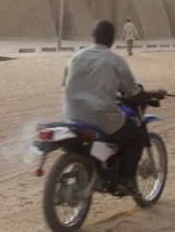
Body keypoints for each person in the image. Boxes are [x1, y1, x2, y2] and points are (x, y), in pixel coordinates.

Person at [62, 20, 166, 195]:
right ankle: (125, 181)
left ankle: (101, 168)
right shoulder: (115, 61)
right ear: (111, 39)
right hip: (101, 117)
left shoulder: (75, 57)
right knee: (136, 137)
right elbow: (135, 92)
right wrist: (156, 93)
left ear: (93, 36)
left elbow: (66, 84)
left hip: (73, 115)